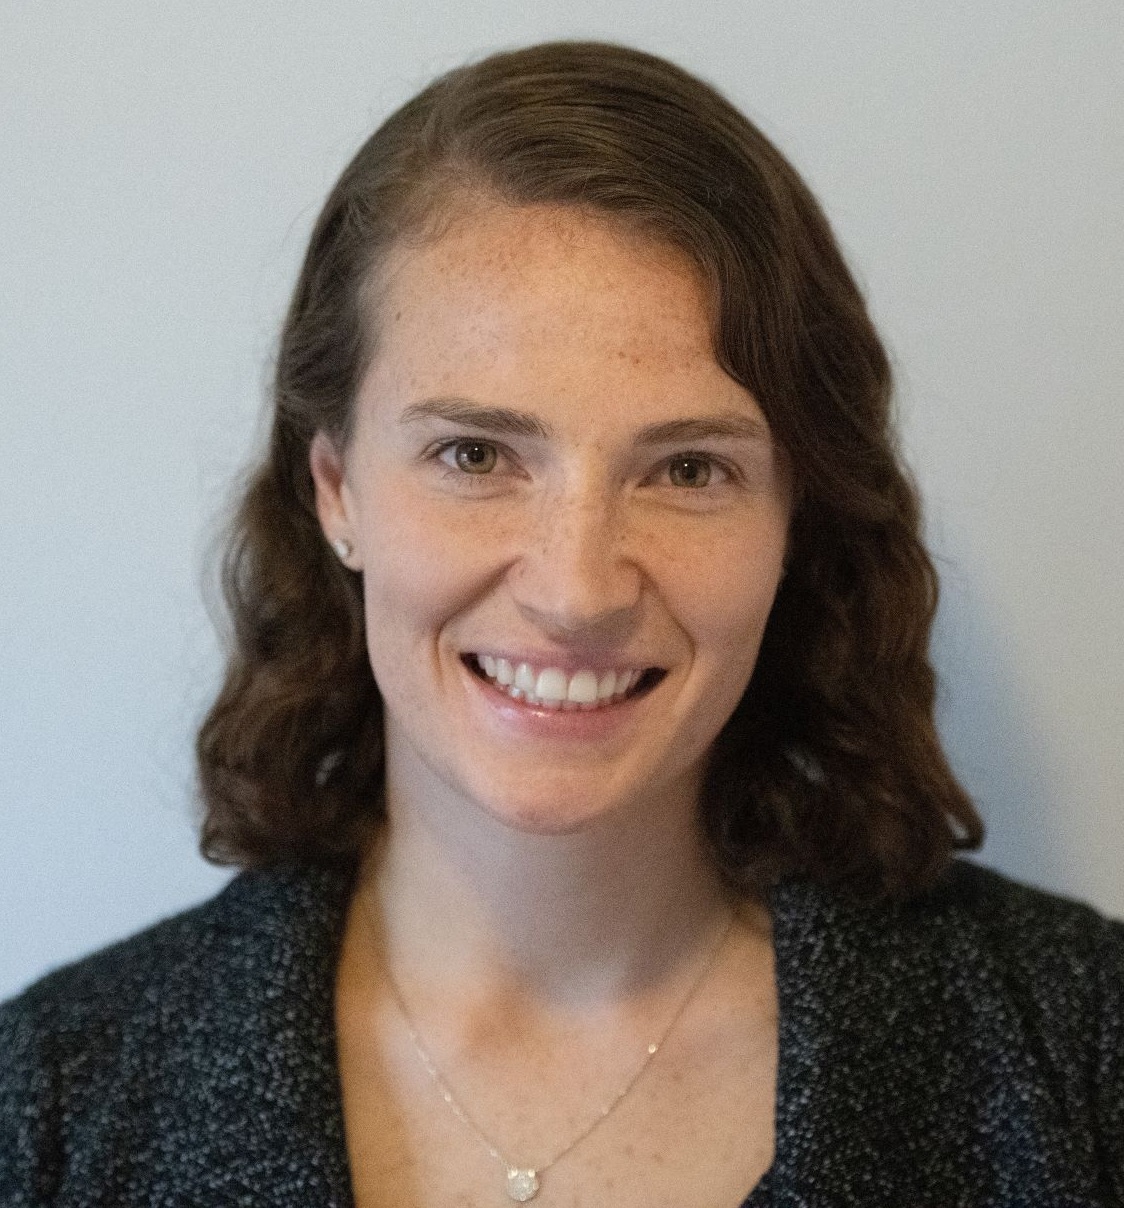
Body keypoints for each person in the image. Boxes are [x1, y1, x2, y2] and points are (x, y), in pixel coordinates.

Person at [1, 40, 1120, 1208]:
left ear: (797, 512)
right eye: (475, 454)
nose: (576, 588)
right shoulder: (51, 1106)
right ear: (335, 489)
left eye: (687, 467)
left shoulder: (1077, 1053)